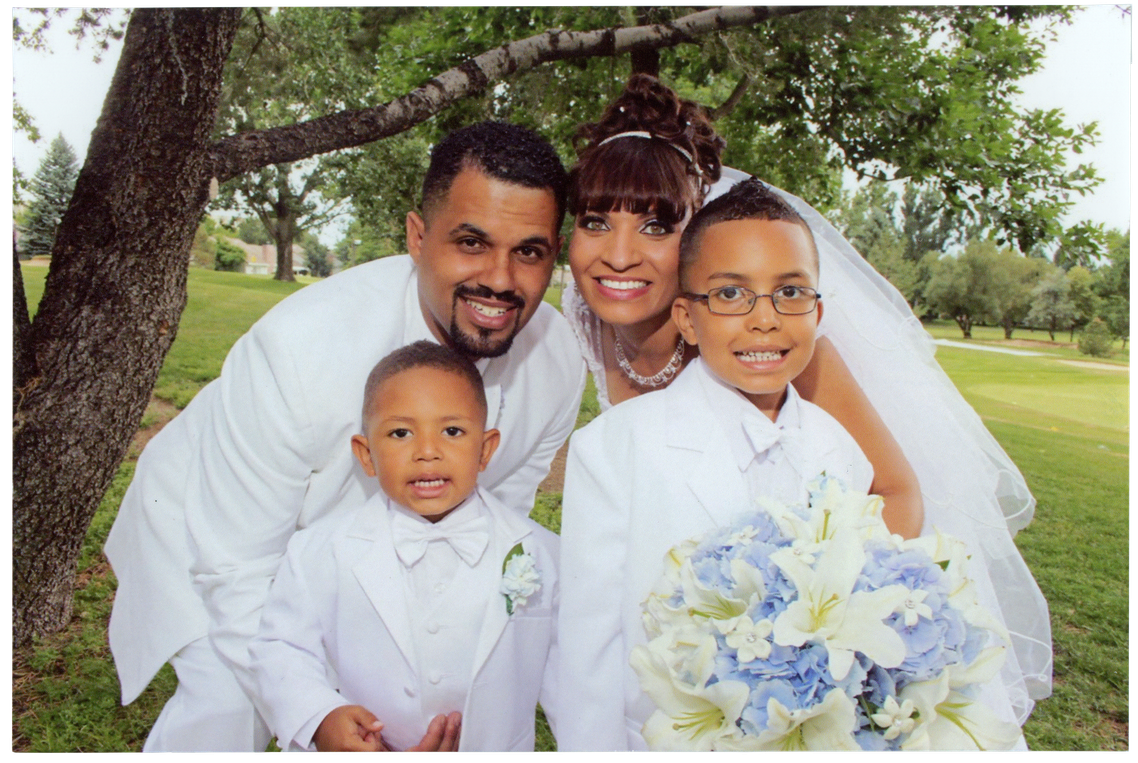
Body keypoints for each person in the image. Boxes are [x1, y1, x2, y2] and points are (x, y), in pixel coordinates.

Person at [561, 75, 1050, 724]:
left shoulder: (787, 352)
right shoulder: (588, 309)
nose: (618, 255)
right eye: (595, 221)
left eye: (656, 223)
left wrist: (811, 605)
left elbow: (897, 492)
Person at [103, 121, 586, 752]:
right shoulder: (297, 349)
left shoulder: (557, 365)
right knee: (226, 704)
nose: (500, 279)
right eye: (472, 242)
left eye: (529, 251)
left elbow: (502, 515)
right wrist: (315, 720)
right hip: (212, 527)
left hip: (370, 535)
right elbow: (240, 567)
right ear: (418, 237)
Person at [557, 180, 877, 750]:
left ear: (818, 310)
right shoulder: (613, 447)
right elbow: (586, 648)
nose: (764, 320)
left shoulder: (841, 451)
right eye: (730, 295)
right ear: (686, 318)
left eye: (791, 293)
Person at [249, 342, 559, 752]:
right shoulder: (317, 552)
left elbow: (578, 681)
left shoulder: (543, 553)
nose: (427, 451)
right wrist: (320, 718)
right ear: (367, 455)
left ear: (485, 449)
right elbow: (280, 648)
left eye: (452, 431)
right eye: (400, 433)